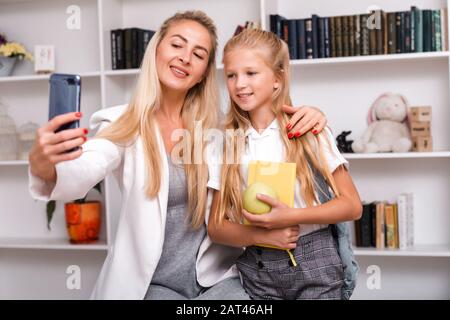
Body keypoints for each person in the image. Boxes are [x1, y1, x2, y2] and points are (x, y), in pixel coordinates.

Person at [28, 11, 328, 300]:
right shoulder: (123, 123)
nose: (185, 57)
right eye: (176, 44)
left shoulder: (219, 130)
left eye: (198, 54)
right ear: (157, 49)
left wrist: (313, 114)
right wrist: (46, 166)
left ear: (202, 74)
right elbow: (90, 162)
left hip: (217, 279)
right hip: (153, 283)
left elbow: (270, 132)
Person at [207, 29, 362, 300]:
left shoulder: (308, 128)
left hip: (316, 263)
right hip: (258, 267)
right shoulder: (225, 142)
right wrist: (260, 236)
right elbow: (216, 227)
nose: (239, 84)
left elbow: (352, 205)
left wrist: (289, 216)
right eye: (231, 75)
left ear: (277, 79)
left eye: (251, 73)